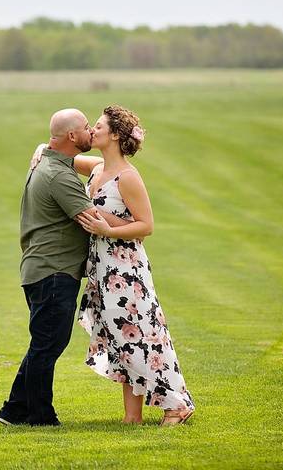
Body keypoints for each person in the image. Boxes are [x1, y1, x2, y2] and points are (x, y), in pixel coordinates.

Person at [41, 105, 195, 425]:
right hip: (102, 269)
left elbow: (146, 226)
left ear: (112, 135)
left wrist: (109, 230)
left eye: (97, 126)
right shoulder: (97, 168)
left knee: (141, 337)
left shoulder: (128, 177)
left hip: (126, 272)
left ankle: (176, 405)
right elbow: (62, 157)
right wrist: (41, 149)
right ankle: (132, 417)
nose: (92, 130)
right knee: (121, 339)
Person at [0, 108, 127, 427]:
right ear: (72, 136)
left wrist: (42, 145)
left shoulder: (54, 162)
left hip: (44, 270)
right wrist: (136, 223)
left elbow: (102, 166)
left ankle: (14, 409)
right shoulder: (59, 175)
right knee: (48, 343)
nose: (90, 132)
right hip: (52, 271)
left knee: (46, 341)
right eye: (86, 128)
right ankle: (41, 416)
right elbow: (91, 220)